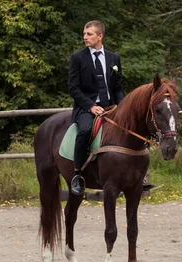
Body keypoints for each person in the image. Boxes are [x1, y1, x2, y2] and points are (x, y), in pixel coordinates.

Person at [68, 20, 124, 195]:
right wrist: (91, 106)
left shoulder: (114, 58)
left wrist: (122, 107)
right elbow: (74, 88)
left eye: (89, 34)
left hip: (111, 106)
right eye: (84, 34)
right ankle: (77, 175)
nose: (85, 37)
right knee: (85, 130)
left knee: (133, 128)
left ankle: (139, 175)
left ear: (100, 36)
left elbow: (118, 88)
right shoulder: (77, 58)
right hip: (87, 108)